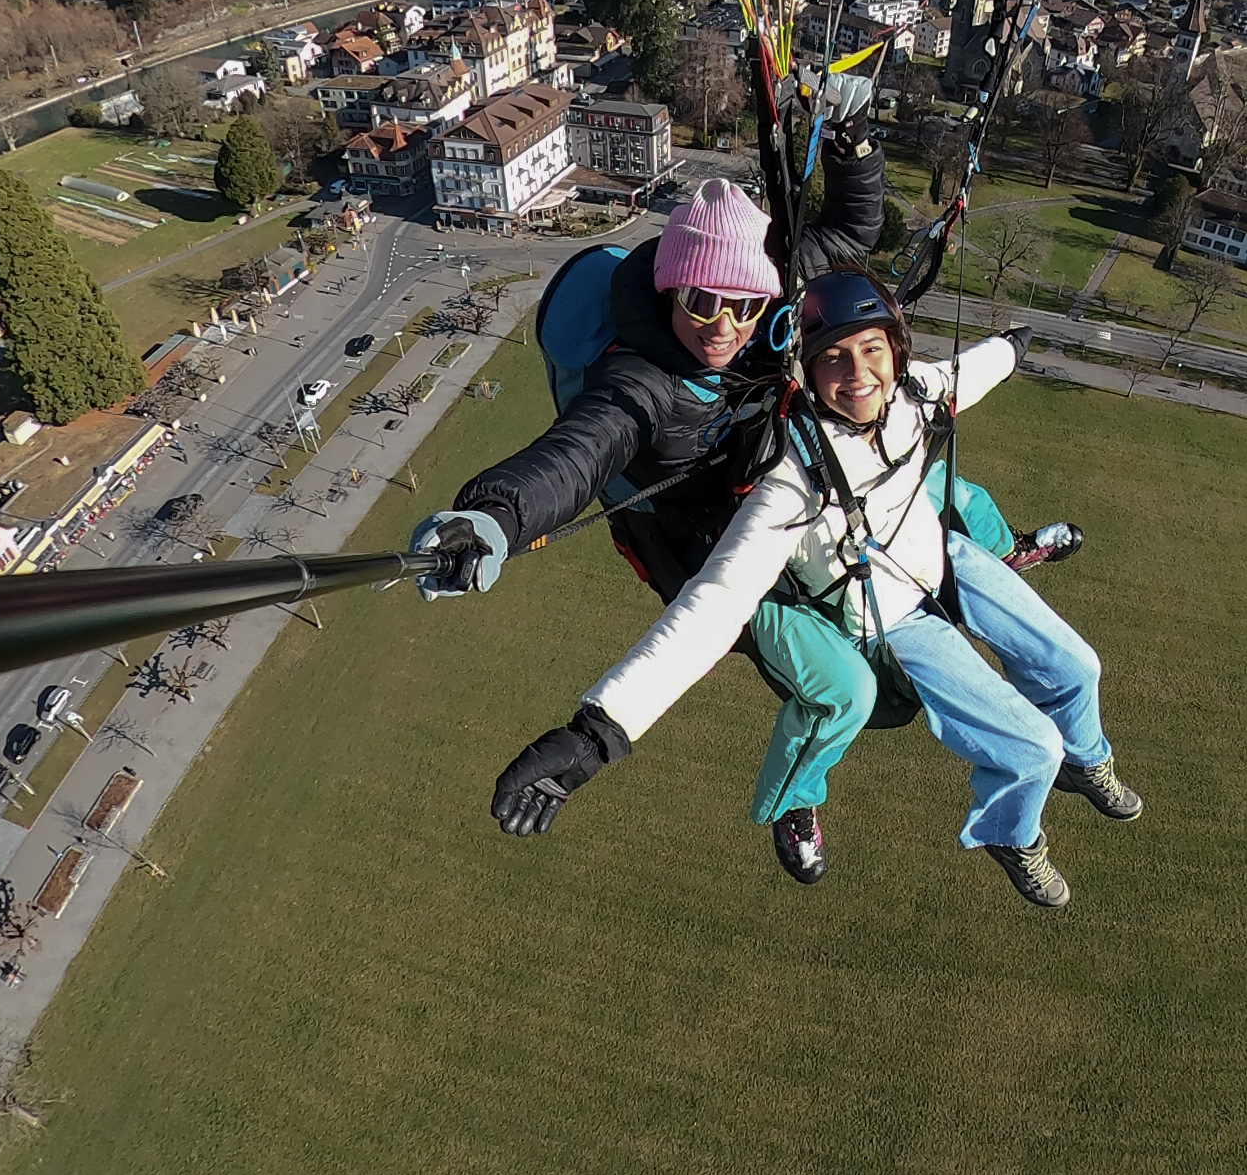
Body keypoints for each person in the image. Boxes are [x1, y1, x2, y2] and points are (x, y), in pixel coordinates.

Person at [412, 92, 1076, 883]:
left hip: (807, 486)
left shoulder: (770, 301)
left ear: (768, 300)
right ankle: (797, 802)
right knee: (845, 690)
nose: (722, 326)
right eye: (701, 303)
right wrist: (492, 518)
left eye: (742, 306)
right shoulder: (643, 384)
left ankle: (1005, 556)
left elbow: (850, 234)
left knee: (938, 486)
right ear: (669, 291)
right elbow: (572, 458)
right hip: (719, 547)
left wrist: (853, 153)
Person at [486, 269, 1141, 908]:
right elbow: (713, 606)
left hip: (937, 556)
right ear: (806, 372)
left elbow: (963, 375)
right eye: (833, 360)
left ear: (896, 350)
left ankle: (1088, 762)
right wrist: (599, 731)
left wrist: (1013, 346)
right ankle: (1011, 833)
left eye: (871, 350)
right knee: (1032, 746)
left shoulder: (910, 392)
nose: (858, 375)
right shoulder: (789, 485)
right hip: (890, 614)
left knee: (1079, 665)